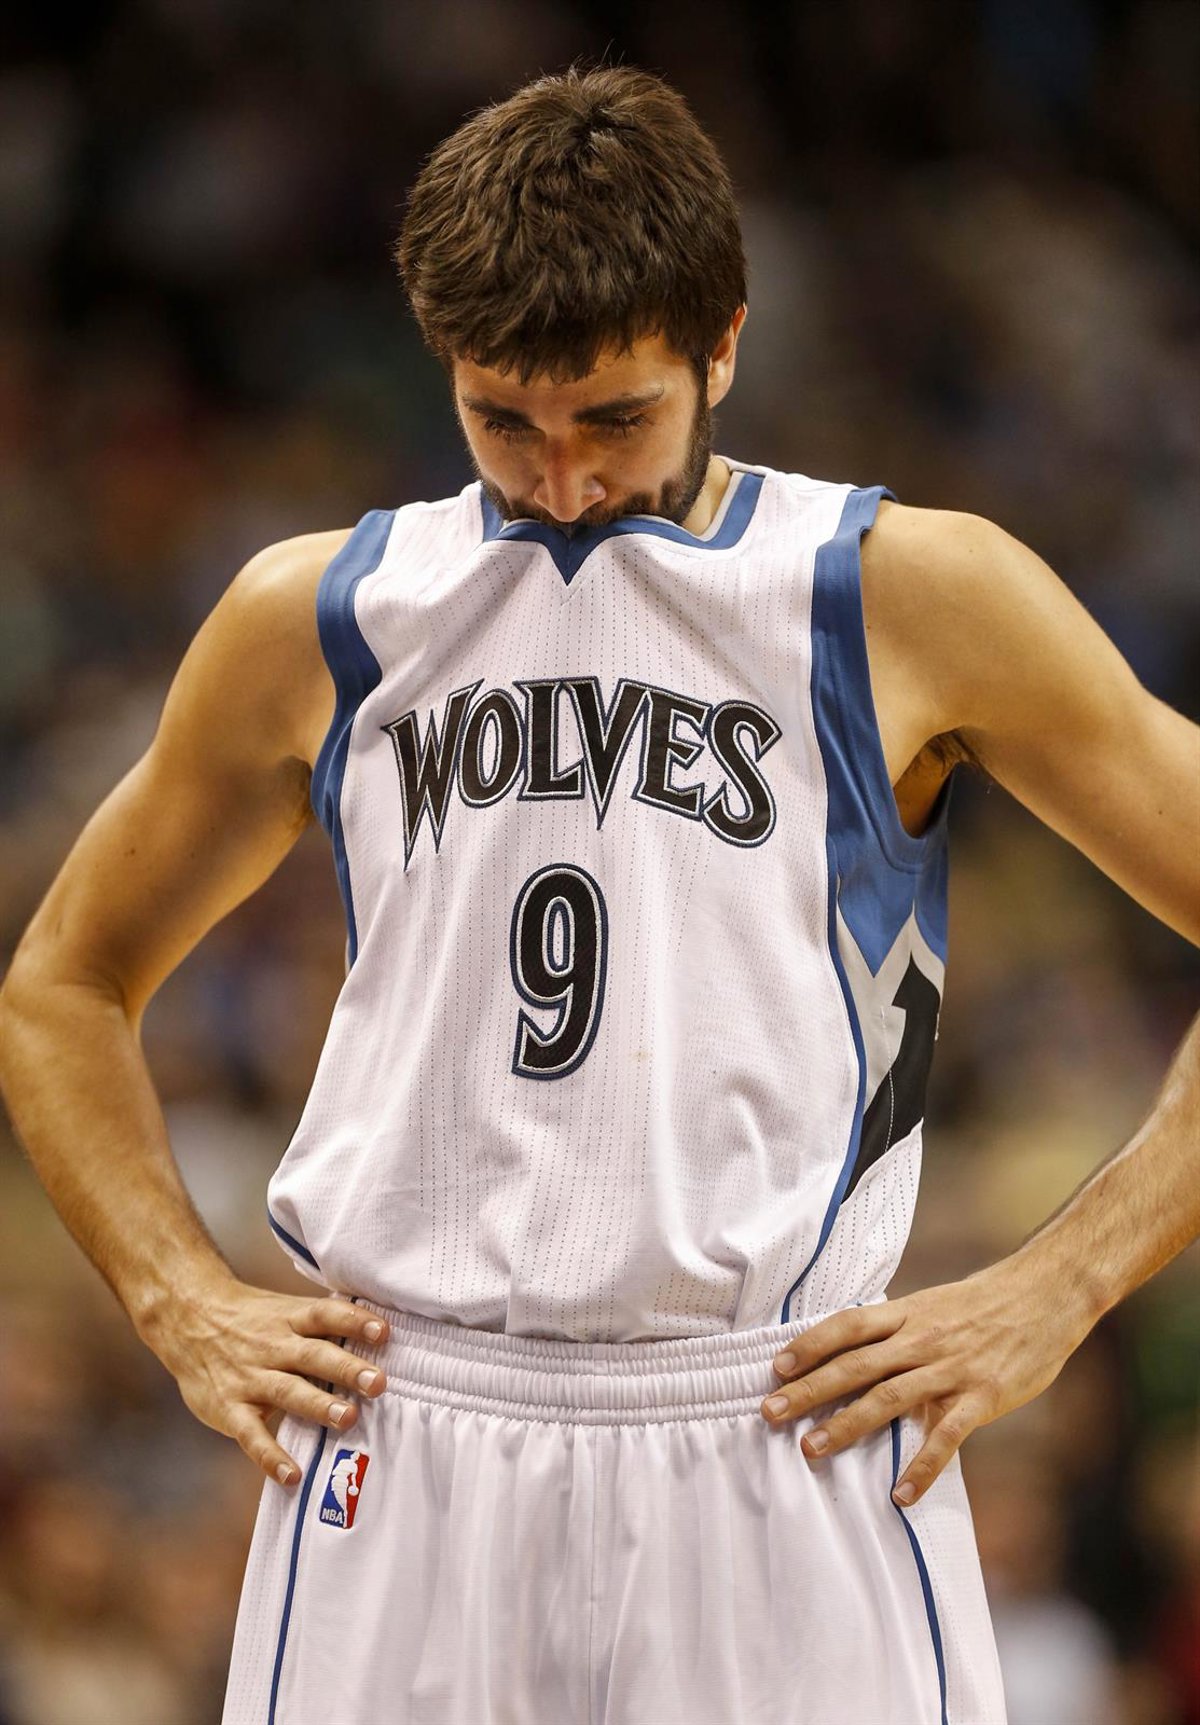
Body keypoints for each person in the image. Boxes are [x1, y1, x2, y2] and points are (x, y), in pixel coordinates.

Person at [0, 62, 1196, 1725]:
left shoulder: (897, 592)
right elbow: (59, 987)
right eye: (504, 421)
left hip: (778, 1420)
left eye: (614, 420)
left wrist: (1059, 1286)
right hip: (406, 1423)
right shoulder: (323, 615)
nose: (560, 480)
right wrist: (176, 1296)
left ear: (724, 346)